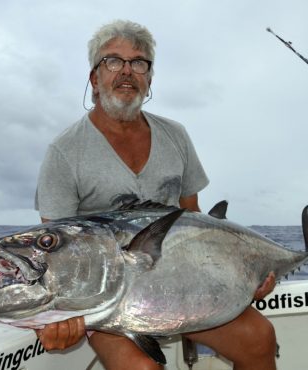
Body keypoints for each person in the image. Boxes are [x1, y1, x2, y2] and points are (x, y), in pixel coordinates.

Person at [35, 20, 277, 370]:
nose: (127, 72)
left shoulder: (175, 136)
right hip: (109, 302)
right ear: (94, 78)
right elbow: (55, 250)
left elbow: (195, 220)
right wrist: (53, 317)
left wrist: (241, 276)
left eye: (139, 63)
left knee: (260, 338)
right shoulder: (64, 151)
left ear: (150, 78)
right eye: (112, 61)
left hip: (184, 286)